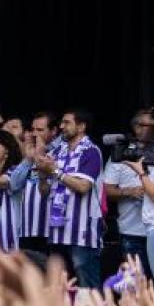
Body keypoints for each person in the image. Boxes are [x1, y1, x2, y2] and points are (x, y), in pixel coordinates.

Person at [36, 109, 103, 287]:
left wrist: (55, 172)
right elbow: (44, 192)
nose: (61, 126)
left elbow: (83, 187)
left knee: (88, 290)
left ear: (81, 127)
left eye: (67, 123)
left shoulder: (91, 151)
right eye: (61, 122)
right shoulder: (58, 152)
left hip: (82, 235)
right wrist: (42, 175)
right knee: (59, 289)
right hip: (57, 232)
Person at [105, 108, 154, 280]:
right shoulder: (120, 153)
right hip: (132, 232)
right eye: (146, 125)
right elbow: (106, 191)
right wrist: (130, 191)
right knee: (134, 285)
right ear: (136, 128)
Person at [9, 111, 60, 266]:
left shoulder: (61, 152)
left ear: (53, 131)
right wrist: (28, 159)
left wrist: (43, 154)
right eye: (33, 130)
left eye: (40, 130)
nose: (35, 134)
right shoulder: (29, 154)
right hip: (26, 228)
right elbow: (13, 184)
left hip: (51, 230)